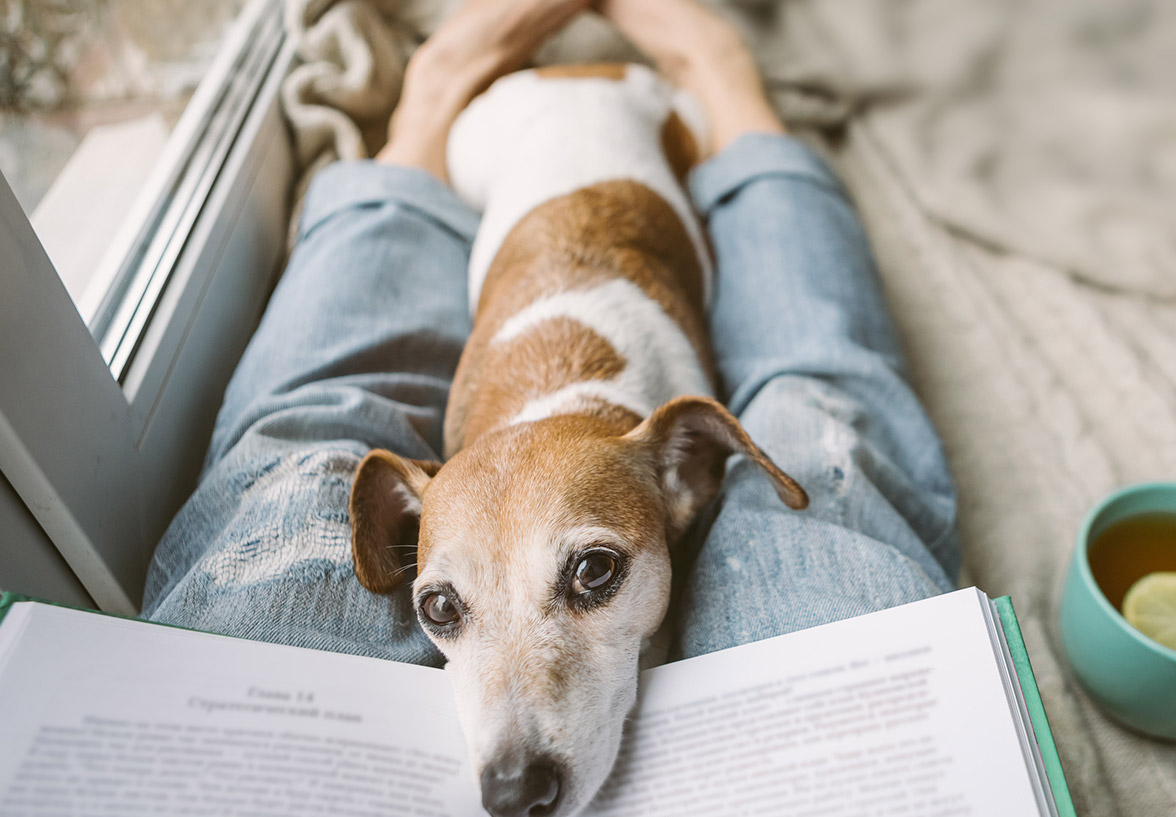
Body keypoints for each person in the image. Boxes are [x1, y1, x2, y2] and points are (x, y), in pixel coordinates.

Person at [141, 0, 960, 666]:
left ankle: (698, 74)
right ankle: (702, 92)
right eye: (441, 607)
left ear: (688, 468)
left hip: (645, 119)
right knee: (817, 396)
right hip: (519, 139)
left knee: (309, 432)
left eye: (593, 572)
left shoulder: (665, 462)